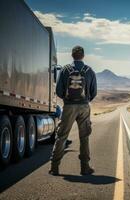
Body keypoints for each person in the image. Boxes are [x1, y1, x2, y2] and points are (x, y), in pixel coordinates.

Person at [49, 46, 97, 176]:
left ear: (72, 55)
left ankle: (54, 167)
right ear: (83, 55)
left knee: (61, 136)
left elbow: (58, 91)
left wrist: (67, 99)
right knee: (84, 137)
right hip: (84, 107)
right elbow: (94, 92)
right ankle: (85, 168)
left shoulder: (65, 70)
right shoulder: (89, 71)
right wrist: (85, 100)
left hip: (69, 107)